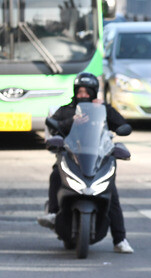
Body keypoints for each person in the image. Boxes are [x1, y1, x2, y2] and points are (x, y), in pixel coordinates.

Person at [37, 72, 134, 254]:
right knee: (56, 175)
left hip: (97, 160)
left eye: (86, 91)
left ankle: (120, 239)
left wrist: (105, 109)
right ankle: (53, 213)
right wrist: (71, 121)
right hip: (72, 158)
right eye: (79, 91)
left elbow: (122, 124)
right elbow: (52, 125)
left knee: (111, 193)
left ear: (94, 92)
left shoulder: (103, 110)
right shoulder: (67, 110)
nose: (83, 95)